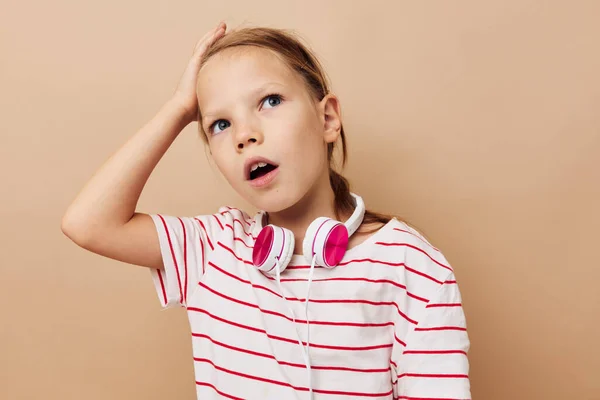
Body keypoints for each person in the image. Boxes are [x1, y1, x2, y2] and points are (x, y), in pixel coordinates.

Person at [61, 21, 471, 400]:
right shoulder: (213, 249)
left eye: (269, 101)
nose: (244, 135)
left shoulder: (409, 266)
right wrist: (180, 108)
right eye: (219, 124)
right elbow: (88, 223)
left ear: (327, 118)